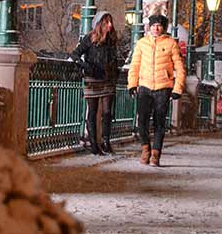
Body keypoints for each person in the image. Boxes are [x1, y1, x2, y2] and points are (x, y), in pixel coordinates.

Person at [127, 14, 186, 167]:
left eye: (159, 25)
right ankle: (145, 148)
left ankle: (156, 154)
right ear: (149, 26)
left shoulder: (171, 43)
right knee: (142, 121)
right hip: (145, 87)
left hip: (163, 87)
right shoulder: (142, 43)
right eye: (153, 25)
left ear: (163, 27)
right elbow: (135, 66)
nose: (156, 28)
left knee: (160, 122)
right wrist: (132, 85)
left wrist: (177, 88)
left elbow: (179, 68)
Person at [70, 11, 121, 155]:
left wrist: (114, 72)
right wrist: (86, 67)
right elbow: (74, 54)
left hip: (108, 79)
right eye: (106, 22)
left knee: (107, 112)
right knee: (92, 112)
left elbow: (114, 59)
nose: (110, 25)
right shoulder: (89, 38)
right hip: (92, 78)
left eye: (110, 22)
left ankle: (106, 142)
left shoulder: (112, 39)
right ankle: (94, 145)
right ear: (99, 24)